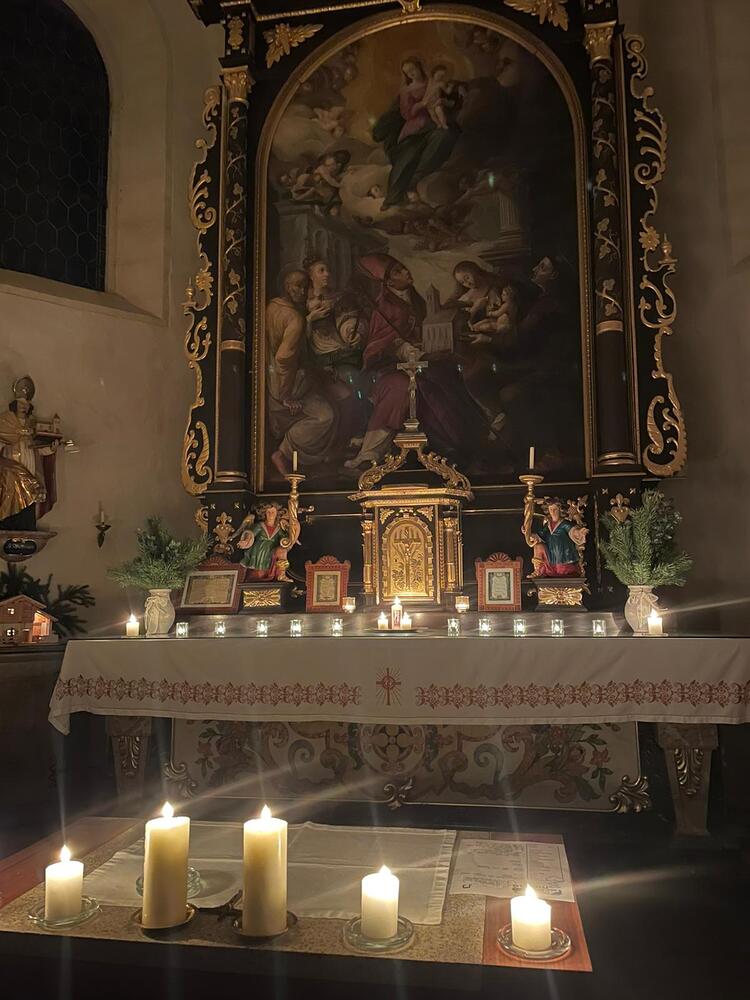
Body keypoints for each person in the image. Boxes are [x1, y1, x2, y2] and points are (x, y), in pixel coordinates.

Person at [266, 269, 337, 477]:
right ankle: (283, 453)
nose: (303, 291)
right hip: (286, 386)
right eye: (298, 286)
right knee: (326, 415)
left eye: (306, 287)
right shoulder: (295, 318)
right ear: (287, 286)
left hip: (272, 380)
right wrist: (286, 395)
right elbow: (283, 358)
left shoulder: (271, 306)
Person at [373, 58, 461, 209]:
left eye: (413, 69)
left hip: (436, 123)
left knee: (443, 137)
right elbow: (407, 114)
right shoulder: (406, 91)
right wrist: (422, 104)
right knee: (408, 156)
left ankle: (416, 181)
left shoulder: (433, 82)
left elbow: (448, 97)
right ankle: (392, 198)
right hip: (415, 128)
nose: (411, 74)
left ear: (420, 67)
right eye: (407, 72)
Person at [526, 501, 587, 578]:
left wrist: (579, 532)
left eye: (555, 509)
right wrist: (529, 534)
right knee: (538, 547)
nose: (553, 512)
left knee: (562, 569)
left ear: (560, 510)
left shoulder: (564, 523)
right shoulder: (547, 525)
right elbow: (540, 535)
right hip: (551, 553)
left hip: (563, 553)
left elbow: (573, 531)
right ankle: (537, 570)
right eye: (551, 509)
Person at [237, 504, 289, 580]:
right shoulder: (259, 525)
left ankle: (281, 574)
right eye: (268, 512)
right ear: (264, 513)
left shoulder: (279, 528)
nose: (271, 514)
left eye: (273, 512)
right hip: (259, 551)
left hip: (272, 551)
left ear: (277, 514)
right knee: (259, 573)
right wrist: (246, 541)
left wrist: (289, 537)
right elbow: (251, 533)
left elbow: (284, 539)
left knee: (282, 551)